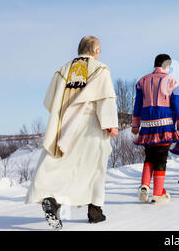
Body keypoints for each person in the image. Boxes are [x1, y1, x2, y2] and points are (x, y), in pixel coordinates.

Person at [26, 36, 119, 230]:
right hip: (92, 124)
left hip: (66, 124)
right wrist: (111, 124)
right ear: (96, 50)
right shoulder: (100, 69)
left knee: (63, 164)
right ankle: (94, 212)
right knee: (94, 168)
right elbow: (106, 98)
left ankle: (52, 200)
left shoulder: (63, 70)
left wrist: (67, 113)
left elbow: (51, 101)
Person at [131, 54, 179, 204]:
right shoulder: (172, 81)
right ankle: (157, 194)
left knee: (149, 156)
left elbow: (137, 105)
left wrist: (135, 125)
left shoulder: (141, 82)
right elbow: (177, 106)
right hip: (165, 125)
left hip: (147, 126)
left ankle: (145, 185)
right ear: (167, 65)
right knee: (161, 158)